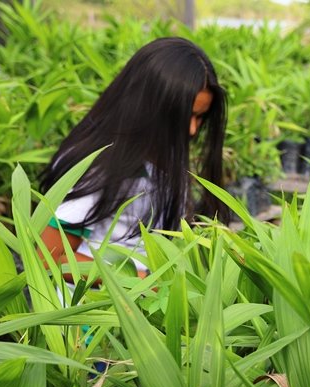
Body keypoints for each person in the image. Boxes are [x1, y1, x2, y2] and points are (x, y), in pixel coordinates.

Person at [40, 36, 227, 277]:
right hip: (94, 308)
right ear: (151, 107)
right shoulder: (99, 164)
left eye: (200, 117)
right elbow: (49, 258)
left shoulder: (162, 155)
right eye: (185, 116)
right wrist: (135, 279)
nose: (192, 129)